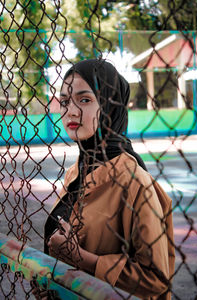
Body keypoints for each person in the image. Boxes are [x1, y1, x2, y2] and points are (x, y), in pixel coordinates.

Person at [43, 58, 175, 299]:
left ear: (110, 105)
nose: (70, 110)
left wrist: (84, 259)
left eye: (84, 99)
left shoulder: (133, 181)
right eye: (64, 101)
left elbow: (157, 280)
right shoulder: (77, 172)